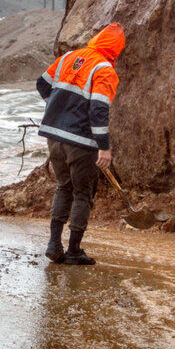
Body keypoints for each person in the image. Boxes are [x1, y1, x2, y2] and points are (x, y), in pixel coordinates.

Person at [36, 23, 126, 266]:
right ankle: (74, 250)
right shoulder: (105, 69)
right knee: (83, 193)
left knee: (64, 187)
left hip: (54, 136)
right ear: (116, 50)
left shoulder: (69, 57)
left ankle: (54, 244)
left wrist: (56, 106)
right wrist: (104, 147)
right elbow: (98, 110)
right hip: (80, 142)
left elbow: (42, 84)